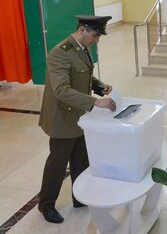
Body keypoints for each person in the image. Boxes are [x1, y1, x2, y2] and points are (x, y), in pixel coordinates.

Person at [38, 15, 117, 223]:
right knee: (58, 162)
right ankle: (46, 204)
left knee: (81, 159)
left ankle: (80, 197)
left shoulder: (81, 49)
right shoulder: (59, 53)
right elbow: (61, 90)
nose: (96, 40)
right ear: (82, 29)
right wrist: (95, 102)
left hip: (80, 116)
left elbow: (81, 76)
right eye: (95, 35)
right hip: (62, 118)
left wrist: (98, 86)